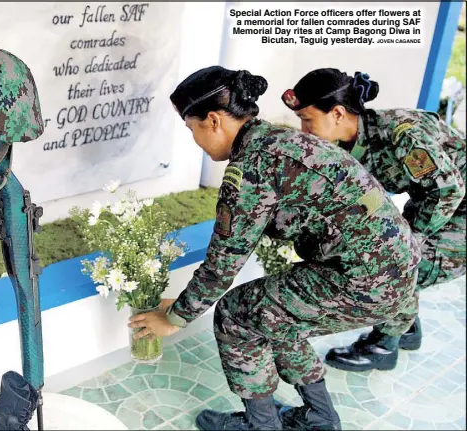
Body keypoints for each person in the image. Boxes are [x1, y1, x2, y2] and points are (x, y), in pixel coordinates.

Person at [128, 65, 422, 430]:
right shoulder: (280, 141)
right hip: (397, 272)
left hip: (364, 281)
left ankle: (261, 425)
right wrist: (188, 302)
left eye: (193, 129)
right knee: (275, 314)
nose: (196, 141)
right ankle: (320, 418)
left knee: (236, 313)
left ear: (215, 121)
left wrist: (175, 318)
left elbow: (224, 262)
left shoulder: (251, 165)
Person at [281, 68, 466, 372]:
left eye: (308, 120)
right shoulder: (349, 142)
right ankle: (406, 328)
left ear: (338, 113)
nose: (304, 130)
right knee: (389, 249)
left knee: (399, 263)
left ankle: (383, 345)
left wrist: (410, 241)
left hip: (456, 204)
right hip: (434, 201)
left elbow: (447, 190)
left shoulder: (402, 135)